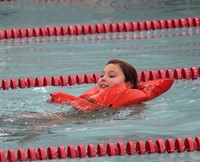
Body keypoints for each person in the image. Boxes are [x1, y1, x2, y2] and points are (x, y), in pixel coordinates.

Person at [50, 59, 174, 112]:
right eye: (102, 75)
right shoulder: (92, 97)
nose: (103, 78)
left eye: (112, 76)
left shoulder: (136, 104)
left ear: (129, 84)